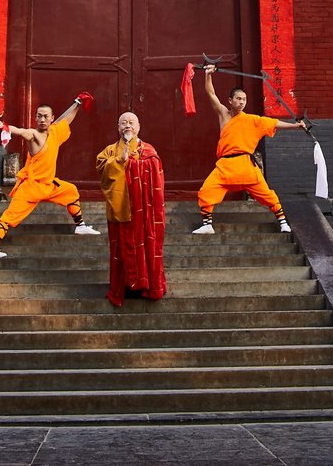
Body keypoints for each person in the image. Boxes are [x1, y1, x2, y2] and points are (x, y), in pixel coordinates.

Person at [193, 64, 308, 234]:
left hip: (246, 166)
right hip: (225, 167)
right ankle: (207, 224)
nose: (241, 102)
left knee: (268, 195)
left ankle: (283, 222)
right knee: (206, 190)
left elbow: (274, 123)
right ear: (230, 100)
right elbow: (211, 94)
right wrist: (208, 74)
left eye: (244, 99)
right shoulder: (224, 115)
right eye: (238, 98)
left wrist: (295, 126)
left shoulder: (253, 120)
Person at [0, 94, 99, 259]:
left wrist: (77, 103)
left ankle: (80, 226)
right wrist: (5, 127)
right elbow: (21, 131)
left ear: (51, 118)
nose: (42, 119)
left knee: (71, 191)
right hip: (31, 187)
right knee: (9, 216)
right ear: (35, 118)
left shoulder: (55, 132)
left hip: (49, 185)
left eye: (46, 116)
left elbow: (65, 120)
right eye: (39, 116)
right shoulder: (34, 135)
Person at [94, 112, 166, 306]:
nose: (127, 126)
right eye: (123, 123)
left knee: (146, 245)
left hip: (143, 209)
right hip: (122, 208)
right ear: (118, 127)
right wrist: (119, 160)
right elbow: (101, 168)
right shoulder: (110, 151)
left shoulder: (148, 151)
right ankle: (125, 286)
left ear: (138, 127)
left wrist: (133, 164)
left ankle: (147, 285)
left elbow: (156, 177)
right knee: (121, 248)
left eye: (131, 122)